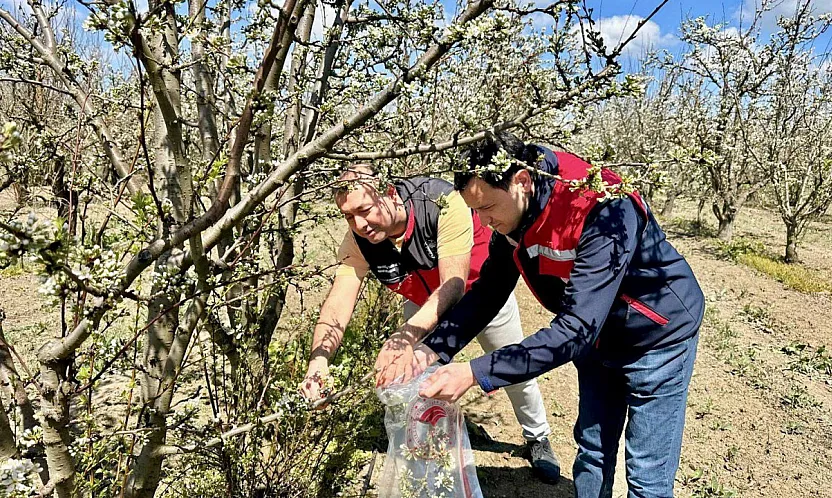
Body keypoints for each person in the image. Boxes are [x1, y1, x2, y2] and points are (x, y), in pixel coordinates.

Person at [406, 132, 705, 497]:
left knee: (646, 477)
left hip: (657, 337)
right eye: (475, 211)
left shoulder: (602, 206)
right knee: (593, 450)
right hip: (598, 340)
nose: (482, 222)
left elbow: (576, 328)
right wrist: (433, 349)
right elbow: (489, 291)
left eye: (487, 208)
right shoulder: (515, 213)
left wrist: (475, 372)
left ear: (522, 180)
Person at [299, 164, 561, 483]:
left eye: (364, 210)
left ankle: (537, 436)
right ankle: (427, 450)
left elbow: (453, 284)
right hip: (423, 305)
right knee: (415, 380)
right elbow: (339, 300)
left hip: (481, 297)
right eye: (348, 216)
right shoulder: (359, 239)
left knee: (513, 369)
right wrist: (318, 362)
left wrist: (404, 337)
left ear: (389, 192)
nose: (359, 224)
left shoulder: (440, 201)